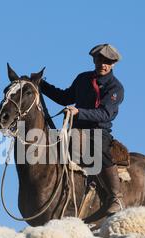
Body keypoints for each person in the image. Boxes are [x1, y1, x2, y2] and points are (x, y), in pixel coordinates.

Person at [39, 44, 125, 215]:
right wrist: (41, 85)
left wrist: (79, 112)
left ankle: (116, 197)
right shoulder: (82, 79)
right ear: (94, 59)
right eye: (100, 60)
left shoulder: (115, 88)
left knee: (99, 148)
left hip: (98, 131)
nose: (103, 64)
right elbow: (65, 97)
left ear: (113, 64)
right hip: (75, 130)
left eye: (108, 61)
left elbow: (105, 113)